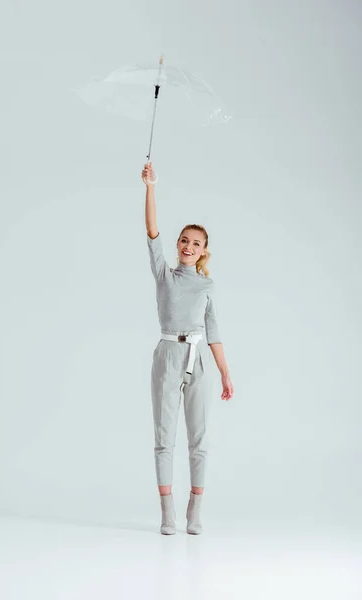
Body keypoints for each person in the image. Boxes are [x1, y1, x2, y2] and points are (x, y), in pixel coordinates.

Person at [142, 162, 234, 535]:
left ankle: (195, 510)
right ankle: (167, 513)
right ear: (178, 244)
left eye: (196, 243)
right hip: (167, 355)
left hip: (198, 361)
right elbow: (151, 232)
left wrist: (226, 372)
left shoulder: (207, 287)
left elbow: (214, 332)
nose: (188, 246)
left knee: (199, 437)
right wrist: (151, 186)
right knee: (164, 436)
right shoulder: (164, 273)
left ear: (204, 250)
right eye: (184, 240)